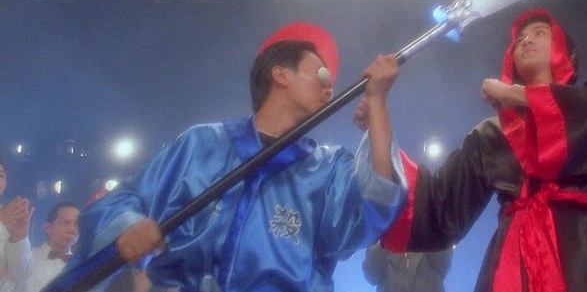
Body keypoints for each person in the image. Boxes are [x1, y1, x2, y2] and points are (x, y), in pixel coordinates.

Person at [59, 22, 408, 292]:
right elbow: (123, 200)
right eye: (320, 74)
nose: (330, 88)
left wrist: (378, 103)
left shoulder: (326, 168)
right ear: (280, 73)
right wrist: (129, 226)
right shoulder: (201, 144)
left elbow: (373, 206)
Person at [369, 8, 587, 292]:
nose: (526, 40)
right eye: (519, 39)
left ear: (566, 52)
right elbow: (435, 208)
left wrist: (513, 94)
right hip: (515, 267)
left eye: (539, 33)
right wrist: (377, 110)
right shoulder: (492, 134)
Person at [22, 202, 80, 292]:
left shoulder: (81, 266)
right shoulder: (25, 258)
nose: (72, 230)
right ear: (48, 228)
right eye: (65, 223)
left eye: (77, 224)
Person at [362, 241, 452, 292]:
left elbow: (442, 263)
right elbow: (371, 274)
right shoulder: (382, 235)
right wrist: (389, 238)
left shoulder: (432, 235)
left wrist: (427, 230)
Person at [0, 159, 33, 292]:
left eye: (1, 175)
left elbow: (22, 275)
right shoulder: (6, 219)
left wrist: (19, 239)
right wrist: (2, 225)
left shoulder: (11, 216)